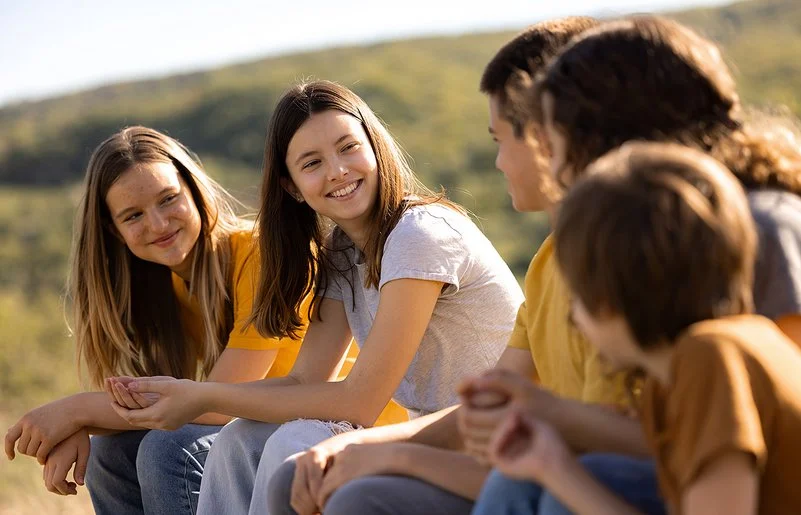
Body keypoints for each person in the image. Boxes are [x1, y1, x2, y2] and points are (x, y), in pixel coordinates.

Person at [267, 18, 666, 515]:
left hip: (555, 472)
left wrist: (389, 452)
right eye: (311, 163)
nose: (498, 162)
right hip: (513, 458)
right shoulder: (547, 266)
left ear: (551, 138)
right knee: (302, 468)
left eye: (501, 139)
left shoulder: (631, 257)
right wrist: (368, 449)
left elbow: (629, 440)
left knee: (359, 494)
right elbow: (494, 410)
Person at [106, 80, 523, 515]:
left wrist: (205, 397)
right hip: (434, 443)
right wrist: (192, 394)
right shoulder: (344, 252)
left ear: (375, 147)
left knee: (294, 440)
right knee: (239, 439)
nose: (337, 171)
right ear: (290, 187)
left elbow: (360, 402)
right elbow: (305, 380)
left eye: (348, 147)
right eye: (312, 163)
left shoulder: (419, 233)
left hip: (488, 442)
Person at [469, 15, 801, 514]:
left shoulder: (763, 226)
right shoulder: (694, 352)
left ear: (615, 140)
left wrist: (556, 427)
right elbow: (686, 433)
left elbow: (758, 425)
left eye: (558, 149)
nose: (557, 172)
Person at [3, 126, 306, 515]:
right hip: (258, 431)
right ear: (115, 231)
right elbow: (158, 405)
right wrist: (88, 426)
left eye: (168, 199)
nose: (159, 224)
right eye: (134, 216)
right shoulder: (166, 286)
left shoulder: (260, 253)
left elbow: (219, 401)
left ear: (193, 191)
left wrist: (79, 412)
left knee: (168, 449)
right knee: (110, 453)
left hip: (313, 426)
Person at [491, 141, 801, 514]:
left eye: (576, 292)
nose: (573, 316)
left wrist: (556, 470)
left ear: (606, 299)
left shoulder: (712, 359)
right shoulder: (730, 345)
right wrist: (549, 464)